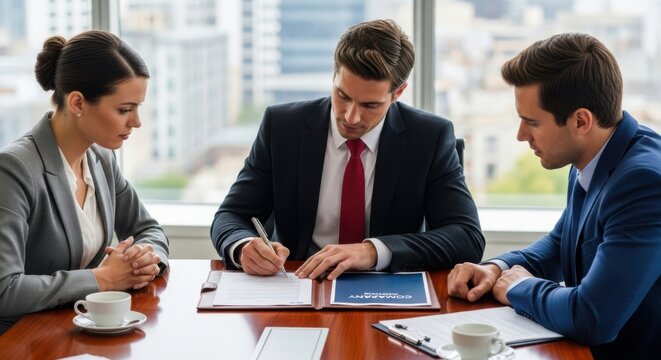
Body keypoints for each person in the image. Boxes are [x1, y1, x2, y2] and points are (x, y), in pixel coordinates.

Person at [211, 19, 484, 281]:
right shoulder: (283, 127)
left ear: (397, 93)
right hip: (297, 284)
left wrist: (372, 251)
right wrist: (243, 245)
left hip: (387, 289)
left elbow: (467, 236)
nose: (351, 118)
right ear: (334, 76)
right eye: (342, 96)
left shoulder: (429, 137)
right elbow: (231, 215)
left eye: (370, 105)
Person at [447, 33, 661, 359]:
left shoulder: (643, 182)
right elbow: (561, 244)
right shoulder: (595, 155)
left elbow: (593, 316)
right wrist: (496, 268)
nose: (520, 135)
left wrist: (520, 287)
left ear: (580, 121)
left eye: (531, 122)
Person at [0, 30, 169, 334]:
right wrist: (103, 279)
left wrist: (144, 258)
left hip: (79, 332)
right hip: (22, 340)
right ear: (77, 102)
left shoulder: (101, 161)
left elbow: (149, 230)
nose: (136, 121)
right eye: (124, 109)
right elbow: (4, 290)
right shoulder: (14, 170)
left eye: (138, 108)